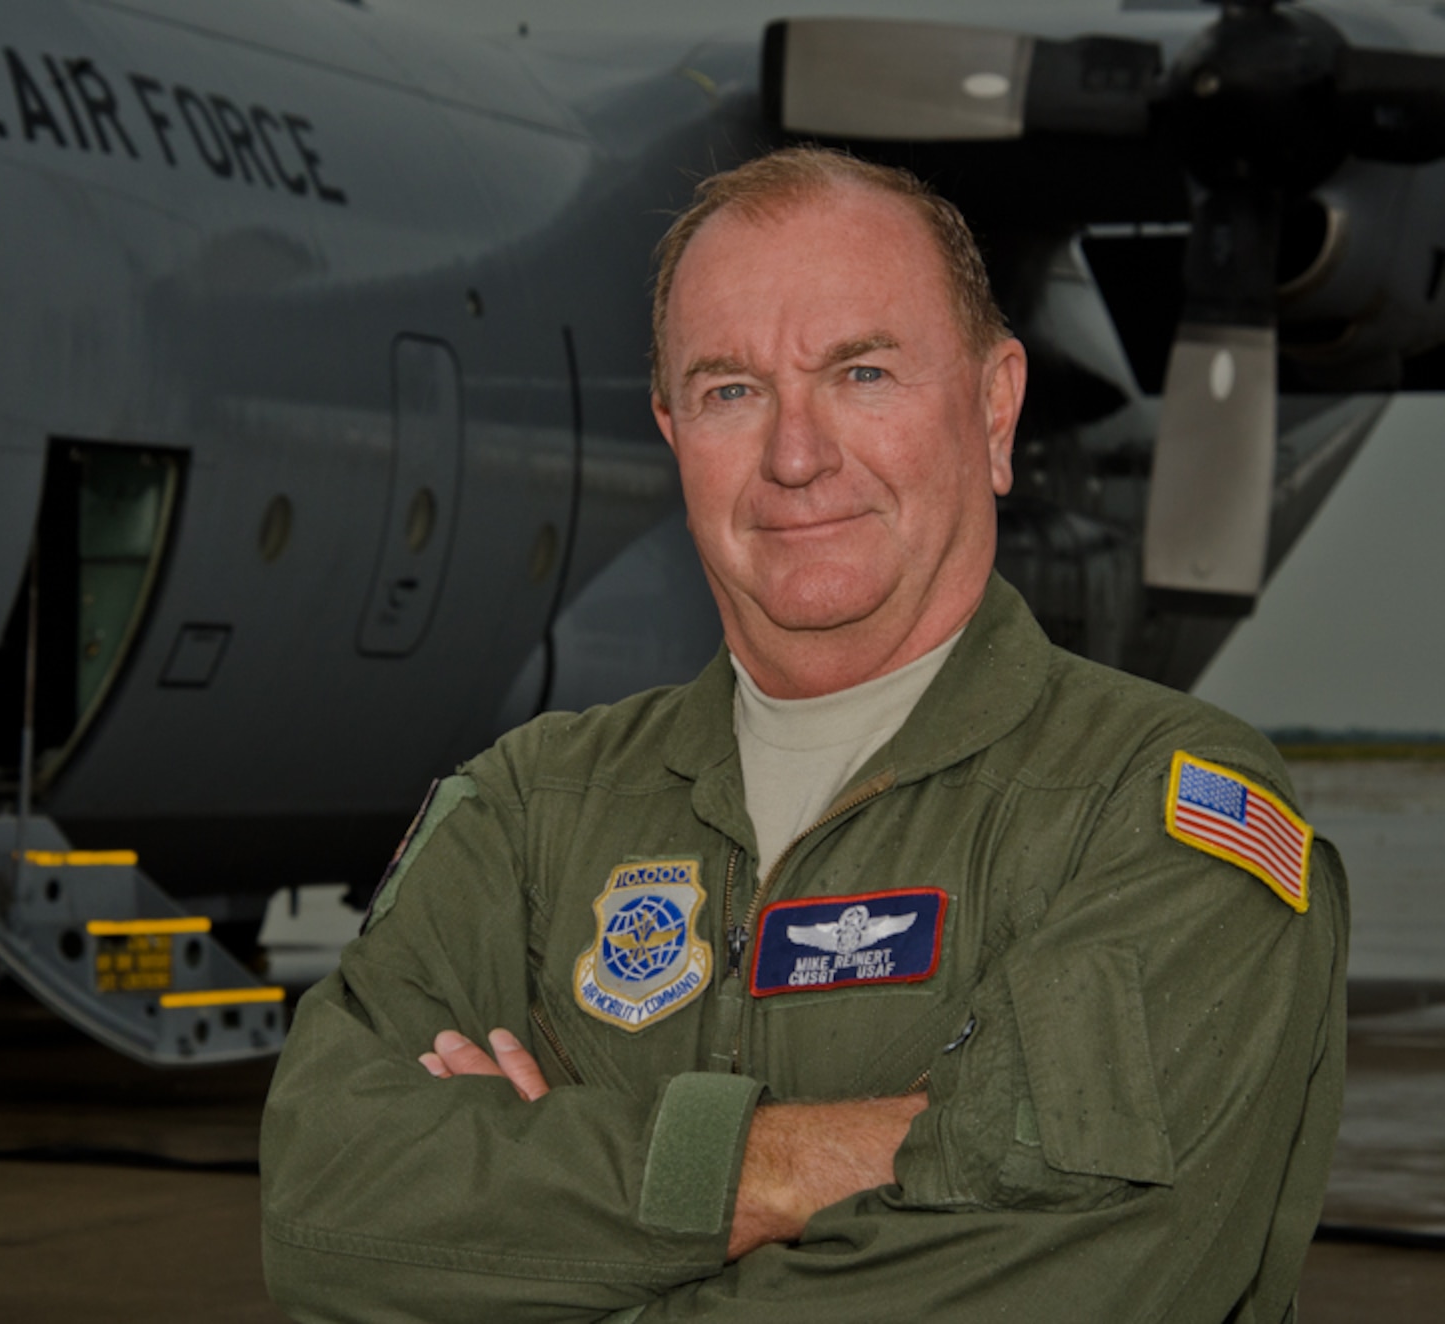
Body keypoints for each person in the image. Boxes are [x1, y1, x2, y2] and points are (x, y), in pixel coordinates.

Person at [260, 146, 1347, 1322]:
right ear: (674, 434)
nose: (793, 454)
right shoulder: (531, 810)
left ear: (993, 408)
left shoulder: (1156, 812)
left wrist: (554, 1219)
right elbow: (328, 1210)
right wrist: (786, 1165)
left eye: (862, 373)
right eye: (730, 390)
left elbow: (1073, 1275)